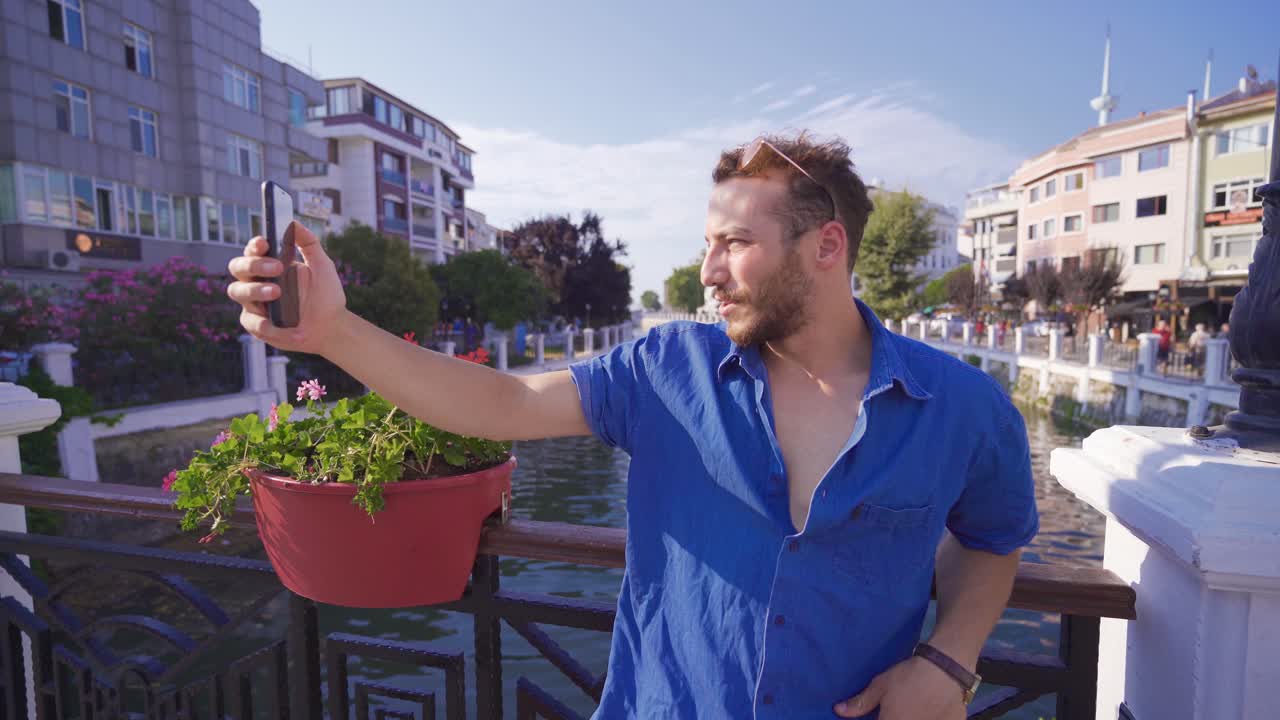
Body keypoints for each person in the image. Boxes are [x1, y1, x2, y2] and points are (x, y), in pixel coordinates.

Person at [227, 133, 1037, 719]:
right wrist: (332, 332)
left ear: (826, 246)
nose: (708, 271)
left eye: (735, 244)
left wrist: (949, 657)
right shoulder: (665, 371)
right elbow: (502, 403)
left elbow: (994, 538)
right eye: (706, 244)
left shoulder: (963, 407)